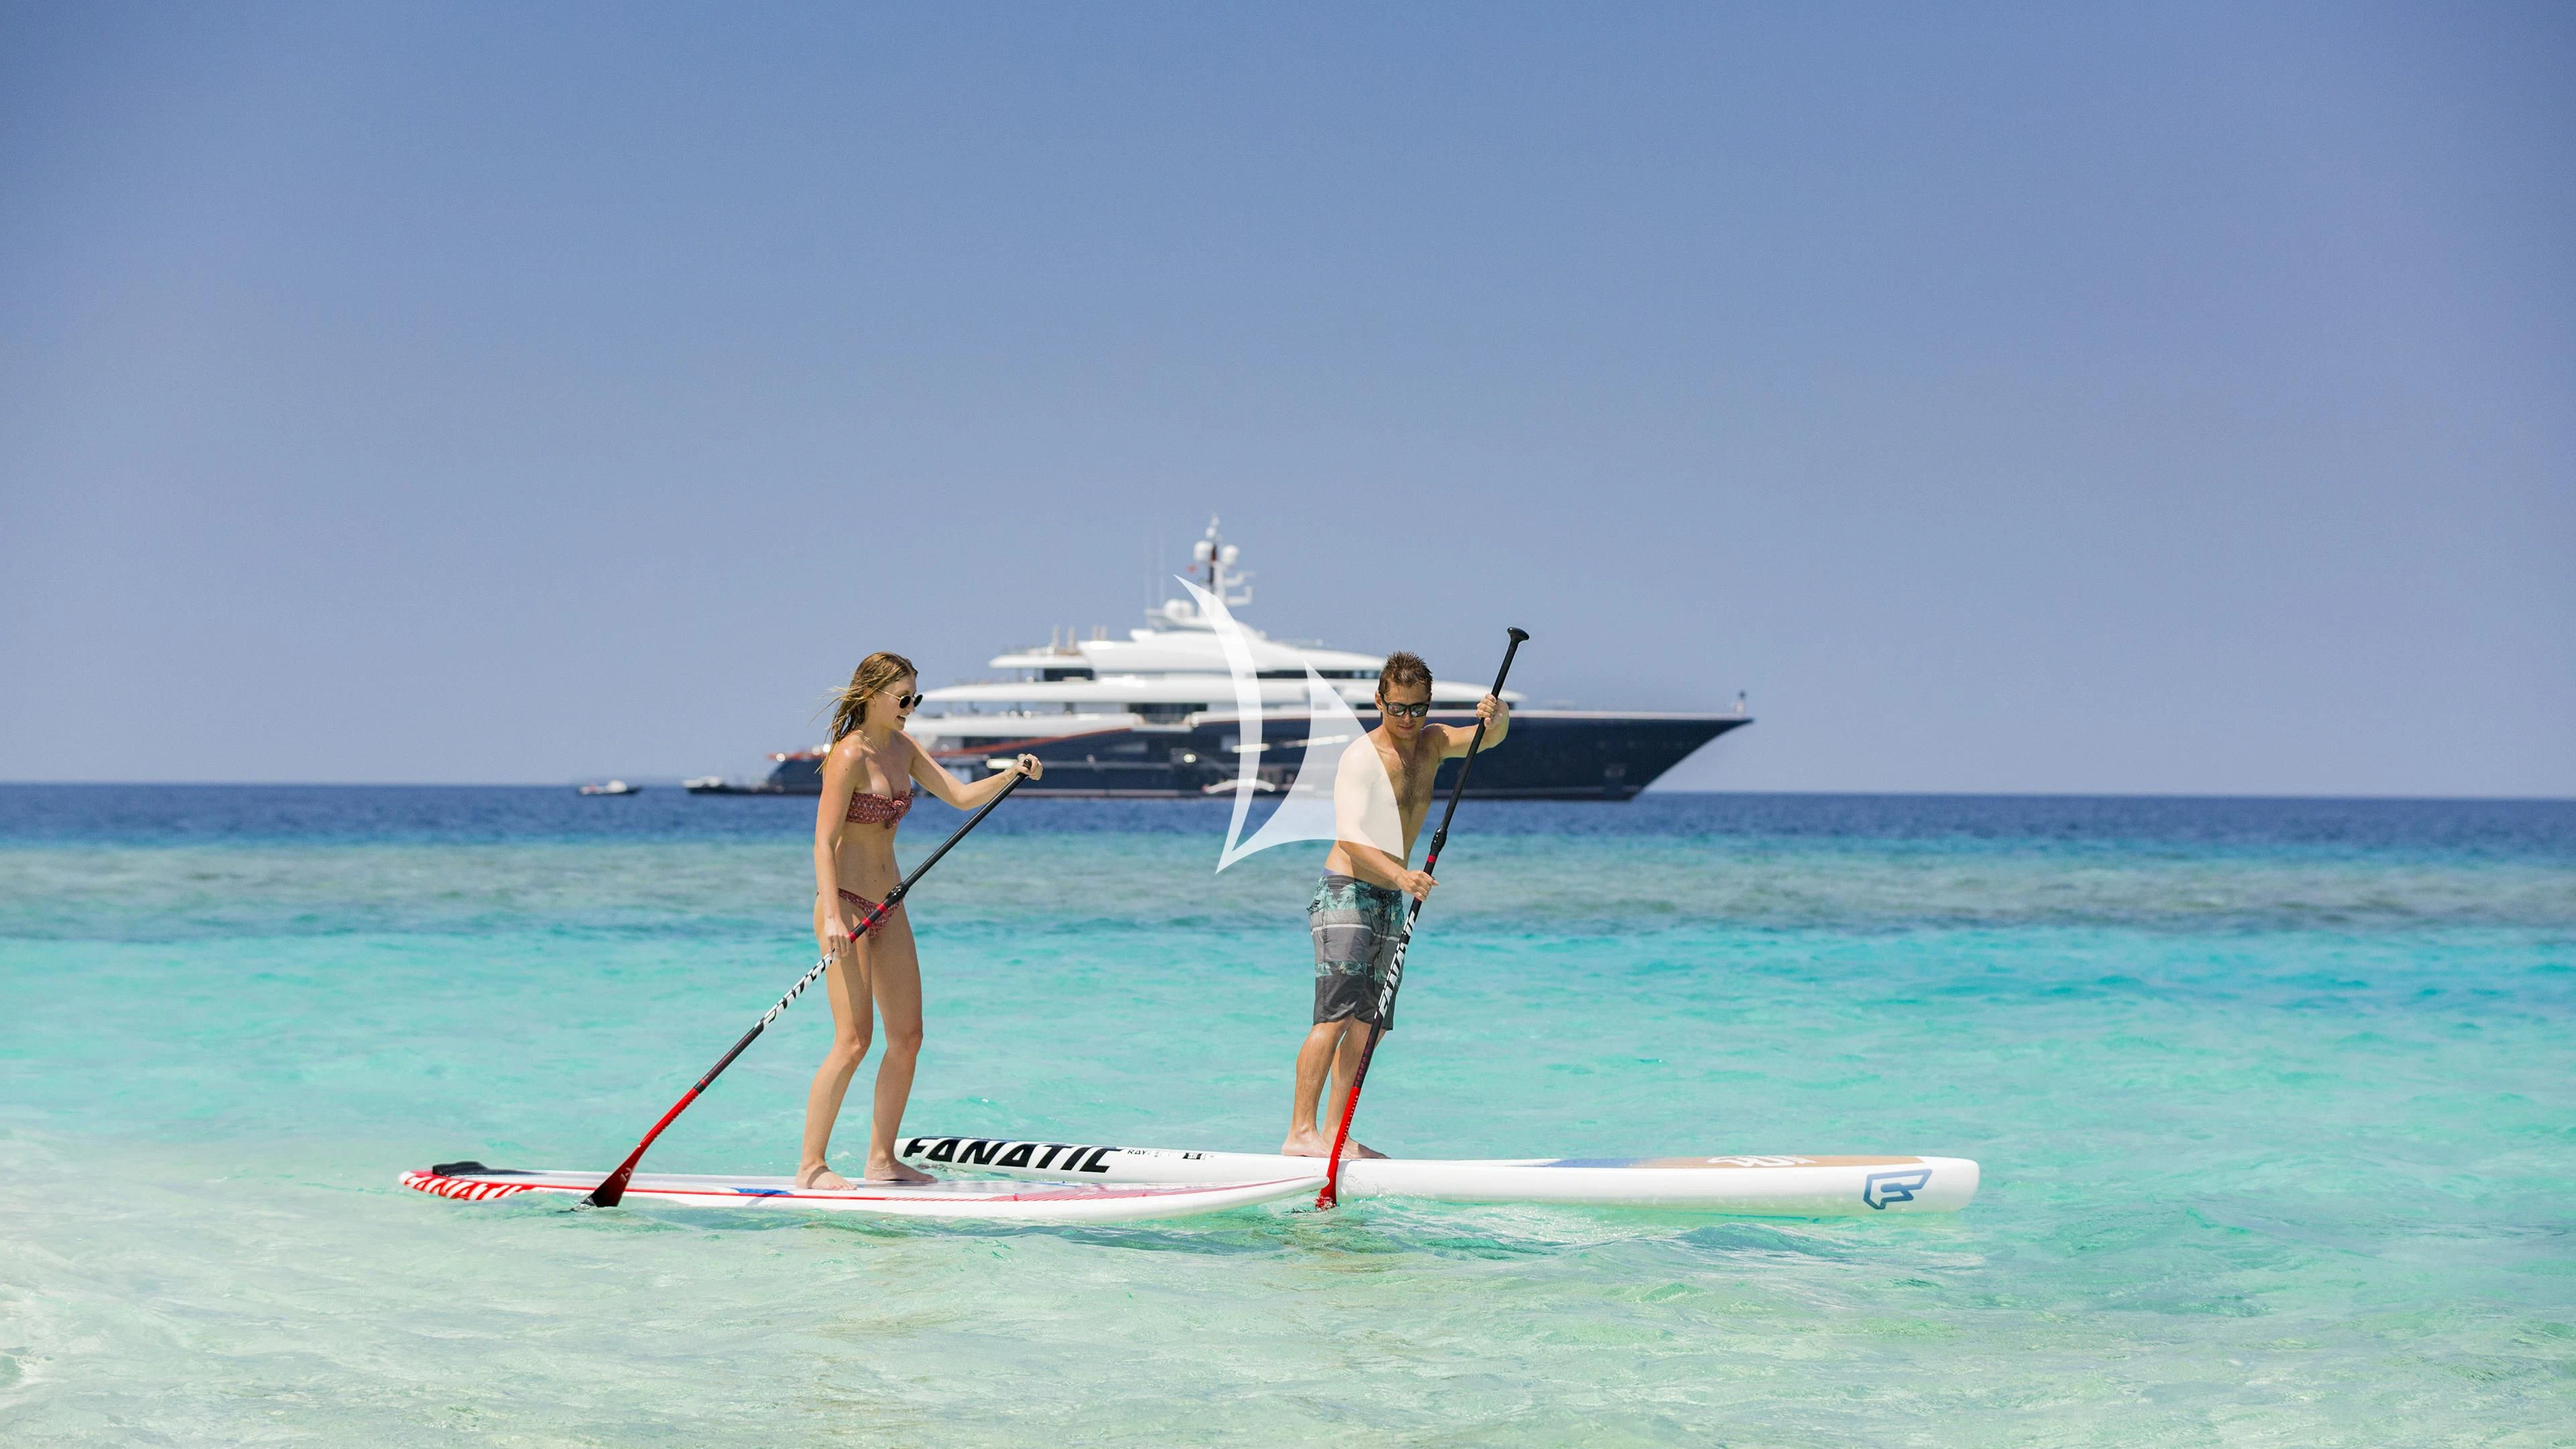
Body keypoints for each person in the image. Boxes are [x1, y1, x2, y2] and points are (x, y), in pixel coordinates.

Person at [799, 651, 1040, 1189]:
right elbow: (823, 842)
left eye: (916, 698)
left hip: (890, 904)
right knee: (853, 1040)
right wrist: (833, 916)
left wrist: (1012, 774)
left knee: (908, 1036)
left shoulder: (902, 748)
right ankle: (811, 1167)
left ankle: (881, 1160)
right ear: (872, 695)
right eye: (903, 697)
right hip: (845, 905)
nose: (910, 707)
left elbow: (959, 796)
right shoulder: (849, 755)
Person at [1281, 650, 1507, 1158]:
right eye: (1398, 708)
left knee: (1370, 1024)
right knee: (1335, 1017)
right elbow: (1351, 837)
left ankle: (1334, 1135)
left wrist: (1499, 715)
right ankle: (1300, 1133)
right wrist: (1402, 875)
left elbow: (1488, 738)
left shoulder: (1433, 743)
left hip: (1389, 897)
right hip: (1346, 891)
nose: (1408, 720)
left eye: (1418, 709)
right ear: (1379, 701)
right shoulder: (1361, 758)